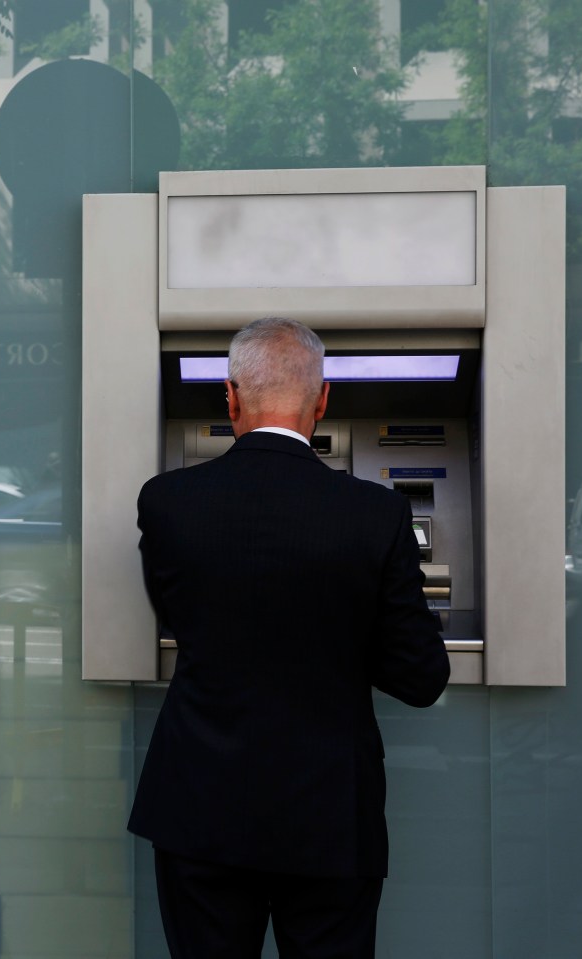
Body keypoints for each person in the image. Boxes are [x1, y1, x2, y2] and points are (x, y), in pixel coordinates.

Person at [129, 317, 450, 959]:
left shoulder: (167, 502)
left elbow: (182, 616)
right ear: (322, 399)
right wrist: (344, 634)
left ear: (230, 397)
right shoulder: (377, 512)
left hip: (200, 807)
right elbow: (420, 678)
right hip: (330, 814)